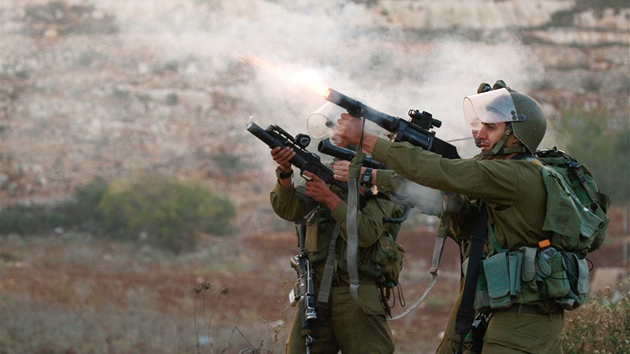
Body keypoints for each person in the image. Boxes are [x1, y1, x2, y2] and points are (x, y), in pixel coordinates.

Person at [333, 83, 565, 353]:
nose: (479, 133)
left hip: (524, 313)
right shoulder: (496, 169)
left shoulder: (515, 175)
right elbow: (451, 202)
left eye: (492, 128)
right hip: (492, 298)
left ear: (516, 136)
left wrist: (368, 141)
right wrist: (376, 177)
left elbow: (441, 171)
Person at [269, 143, 404, 354]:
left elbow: (366, 233)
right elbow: (289, 209)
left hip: (357, 295)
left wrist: (329, 199)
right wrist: (285, 174)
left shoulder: (383, 187)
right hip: (316, 290)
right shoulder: (326, 179)